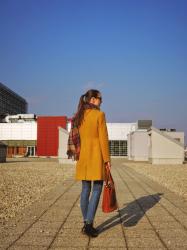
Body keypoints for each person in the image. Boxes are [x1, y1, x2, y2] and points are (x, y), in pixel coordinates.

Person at [67, 89, 111, 237]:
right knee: (97, 189)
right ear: (92, 99)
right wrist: (107, 160)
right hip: (96, 156)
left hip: (83, 157)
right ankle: (88, 224)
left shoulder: (78, 116)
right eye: (100, 98)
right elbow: (103, 139)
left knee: (85, 189)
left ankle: (86, 222)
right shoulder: (100, 115)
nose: (101, 101)